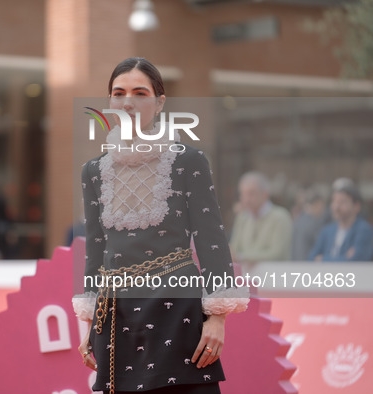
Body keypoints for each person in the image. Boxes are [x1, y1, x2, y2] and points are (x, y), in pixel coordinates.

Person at [72, 58, 248, 394]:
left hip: (177, 308)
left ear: (159, 101)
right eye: (119, 93)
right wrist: (92, 322)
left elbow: (211, 239)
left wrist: (218, 318)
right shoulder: (93, 171)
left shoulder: (187, 161)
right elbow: (96, 249)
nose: (128, 102)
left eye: (140, 93)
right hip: (117, 315)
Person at [229, 171, 293, 264]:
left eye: (251, 193)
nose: (246, 199)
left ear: (265, 194)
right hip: (247, 276)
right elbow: (234, 249)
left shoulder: (281, 217)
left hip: (275, 276)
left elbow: (277, 254)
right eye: (243, 194)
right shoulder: (242, 218)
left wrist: (243, 257)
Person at [309, 185, 373, 262]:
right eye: (334, 201)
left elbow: (356, 260)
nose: (336, 206)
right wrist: (344, 257)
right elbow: (311, 258)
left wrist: (322, 259)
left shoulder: (364, 231)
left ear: (356, 206)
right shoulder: (327, 230)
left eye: (342, 202)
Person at [291, 188, 327, 261]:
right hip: (309, 266)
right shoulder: (315, 223)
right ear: (317, 204)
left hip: (295, 264)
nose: (323, 209)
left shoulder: (298, 222)